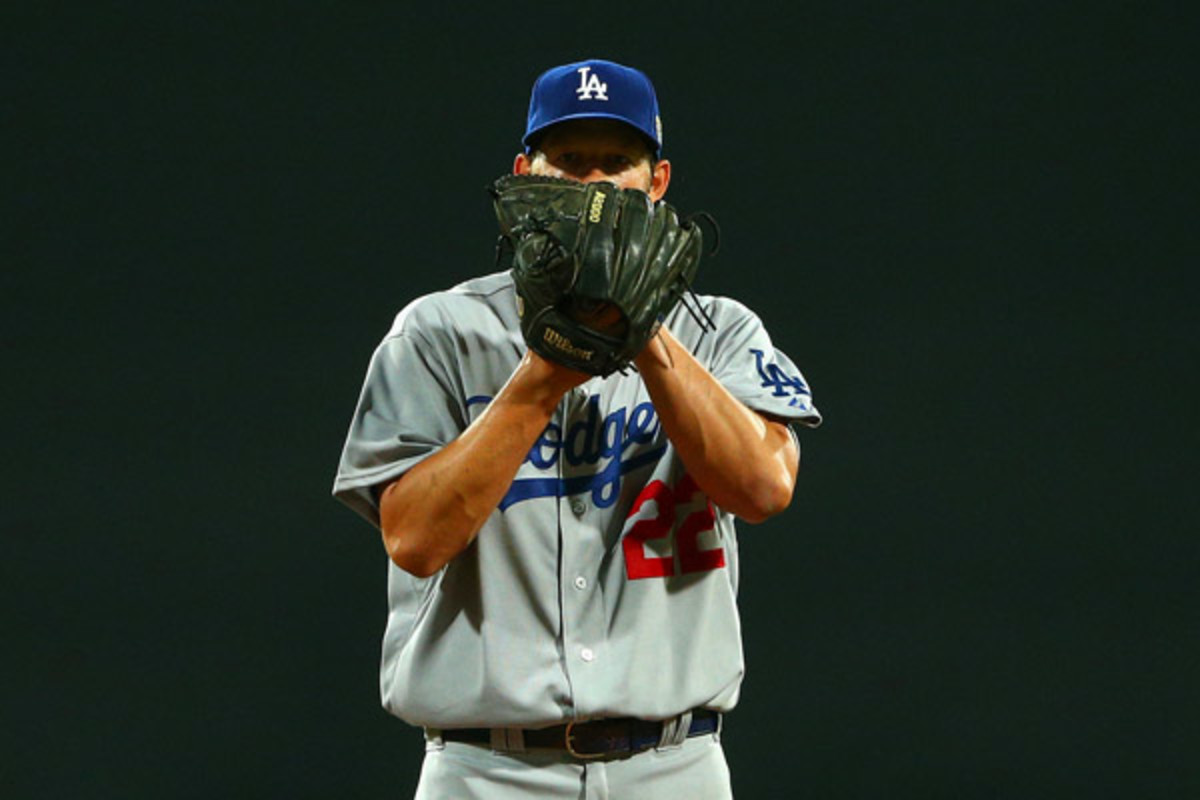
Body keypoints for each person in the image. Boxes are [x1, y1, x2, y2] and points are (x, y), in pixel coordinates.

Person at [333, 58, 821, 799]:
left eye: (616, 161)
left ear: (656, 182)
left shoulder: (718, 332)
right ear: (527, 173)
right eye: (569, 161)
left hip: (673, 766)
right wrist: (545, 369)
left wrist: (645, 330)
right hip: (485, 771)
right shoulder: (439, 332)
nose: (594, 184)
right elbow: (415, 539)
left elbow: (763, 488)